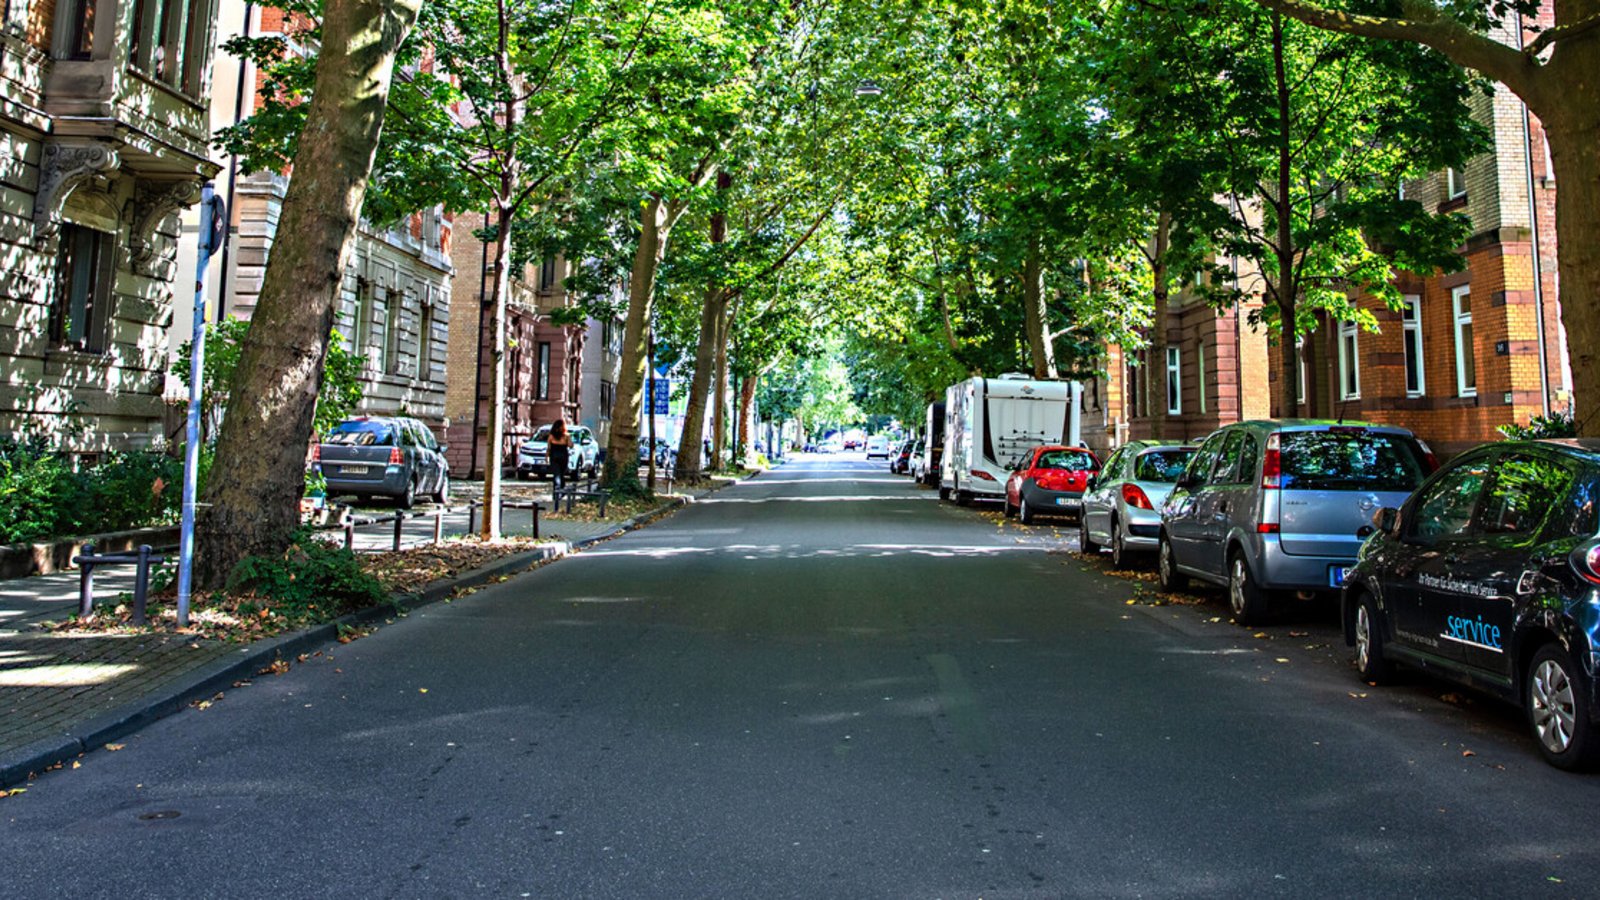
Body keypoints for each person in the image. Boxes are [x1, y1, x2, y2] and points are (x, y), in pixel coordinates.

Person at [547, 418, 572, 491]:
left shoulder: (551, 436)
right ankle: (561, 490)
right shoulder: (566, 436)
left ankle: (556, 491)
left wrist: (547, 457)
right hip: (563, 456)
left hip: (554, 456)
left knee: (556, 474)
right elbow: (570, 445)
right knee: (561, 474)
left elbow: (548, 447)